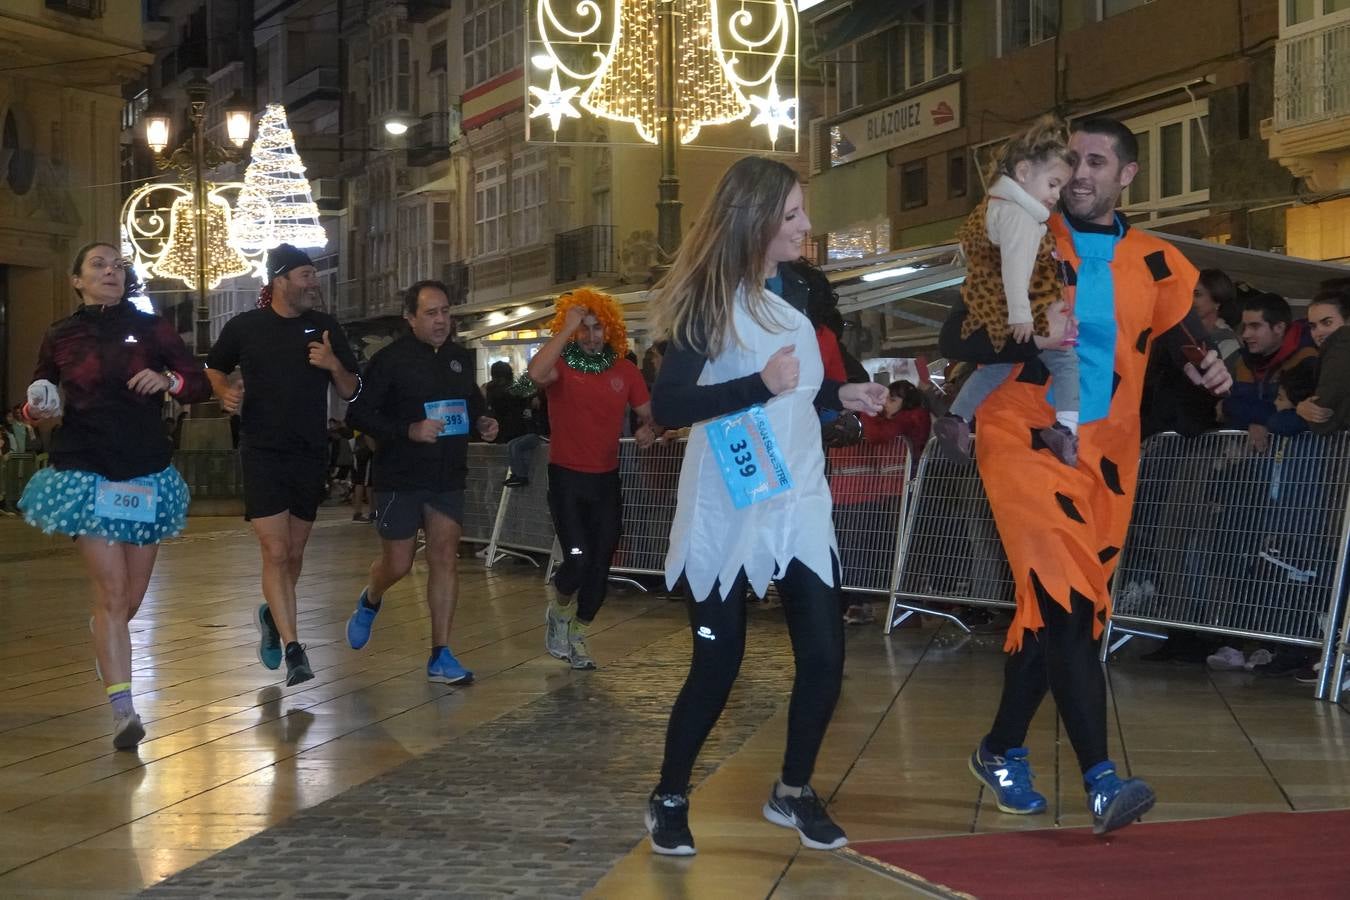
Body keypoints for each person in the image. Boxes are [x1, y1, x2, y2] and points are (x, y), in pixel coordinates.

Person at [938, 117, 1232, 835]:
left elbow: (1178, 334)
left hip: (1107, 455)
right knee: (1066, 602)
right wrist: (1027, 331)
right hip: (1022, 435)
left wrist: (1209, 364)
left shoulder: (1158, 260)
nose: (1078, 174)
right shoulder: (1027, 232)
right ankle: (1102, 780)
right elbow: (955, 334)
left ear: (1128, 175)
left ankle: (1001, 749)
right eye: (1071, 161)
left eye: (1095, 162)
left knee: (1062, 612)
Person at [644, 156, 887, 857]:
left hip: (799, 494)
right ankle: (668, 795)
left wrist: (842, 395)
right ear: (754, 221)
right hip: (730, 494)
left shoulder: (799, 292)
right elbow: (669, 406)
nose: (807, 226)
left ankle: (793, 789)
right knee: (717, 663)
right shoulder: (707, 301)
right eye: (791, 216)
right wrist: (755, 383)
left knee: (825, 653)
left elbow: (797, 390)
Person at [17, 242, 210, 749]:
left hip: (145, 472)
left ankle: (106, 637)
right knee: (111, 593)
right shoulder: (61, 334)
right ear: (76, 279)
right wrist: (35, 406)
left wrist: (168, 378)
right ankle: (124, 710)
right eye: (98, 265)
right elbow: (39, 392)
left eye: (118, 266)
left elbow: (198, 383)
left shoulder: (151, 327)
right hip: (85, 470)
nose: (111, 272)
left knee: (128, 600)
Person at [205, 244, 361, 686]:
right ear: (279, 280)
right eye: (306, 275)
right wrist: (225, 393)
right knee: (275, 551)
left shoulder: (325, 328)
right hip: (262, 450)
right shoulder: (245, 327)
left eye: (314, 275)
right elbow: (214, 368)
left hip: (310, 452)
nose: (314, 283)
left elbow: (351, 389)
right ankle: (295, 649)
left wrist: (332, 364)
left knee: (293, 553)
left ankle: (273, 616)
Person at [344, 280, 498, 683]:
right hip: (401, 475)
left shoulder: (460, 359)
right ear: (410, 318)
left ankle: (440, 653)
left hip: (447, 474)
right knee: (399, 562)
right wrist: (408, 430)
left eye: (445, 311)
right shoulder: (389, 360)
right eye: (431, 313)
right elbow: (358, 416)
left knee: (444, 556)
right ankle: (371, 597)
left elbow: (472, 404)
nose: (441, 320)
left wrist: (483, 420)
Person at [934, 116, 1080, 467]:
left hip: (992, 303)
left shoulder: (995, 206)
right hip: (1020, 307)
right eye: (1053, 184)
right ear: (1025, 171)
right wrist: (1022, 316)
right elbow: (1016, 268)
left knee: (997, 365)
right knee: (1065, 360)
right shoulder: (1021, 217)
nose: (1055, 196)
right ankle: (1066, 428)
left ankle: (956, 417)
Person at [528, 287, 656, 669]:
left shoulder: (625, 370)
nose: (592, 335)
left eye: (597, 327)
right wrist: (566, 329)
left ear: (610, 329)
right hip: (567, 477)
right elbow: (534, 374)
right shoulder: (561, 366)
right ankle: (560, 612)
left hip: (606, 480)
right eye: (584, 329)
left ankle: (579, 633)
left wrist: (652, 429)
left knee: (601, 565)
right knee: (578, 558)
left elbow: (649, 415)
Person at [1221, 292, 1318, 452]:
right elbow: (1233, 405)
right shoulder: (1245, 360)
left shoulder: (1306, 357)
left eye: (1255, 326)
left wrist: (1253, 416)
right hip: (1260, 456)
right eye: (1244, 326)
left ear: (1279, 328)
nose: (1245, 334)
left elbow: (1295, 414)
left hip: (1299, 455)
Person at [1293, 289, 1350, 434]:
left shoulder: (1342, 345)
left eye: (1327, 322)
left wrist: (1306, 410)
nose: (1318, 332)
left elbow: (1324, 419)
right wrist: (1301, 408)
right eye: (1313, 326)